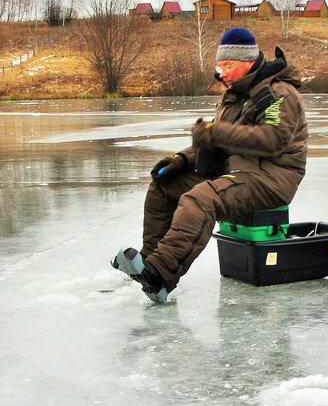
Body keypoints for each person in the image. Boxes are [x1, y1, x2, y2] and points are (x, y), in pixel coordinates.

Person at [113, 27, 308, 302]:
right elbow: (216, 142)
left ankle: (162, 275)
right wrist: (182, 159)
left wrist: (215, 132)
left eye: (229, 65)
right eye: (220, 65)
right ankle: (149, 261)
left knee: (201, 198)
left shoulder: (279, 93)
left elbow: (272, 139)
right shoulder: (235, 96)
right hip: (238, 174)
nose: (222, 72)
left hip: (270, 180)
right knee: (164, 185)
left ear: (249, 62)